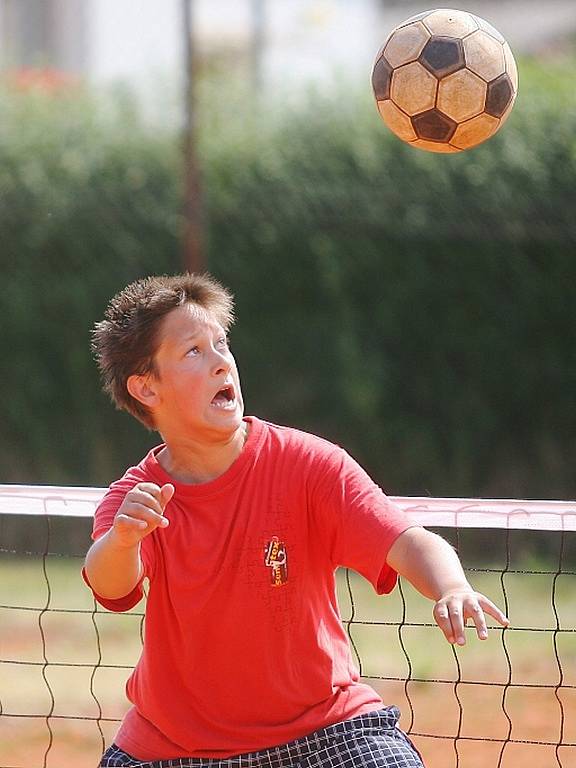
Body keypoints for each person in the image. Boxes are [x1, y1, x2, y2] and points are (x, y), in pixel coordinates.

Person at [84, 273, 509, 768]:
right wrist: (124, 538)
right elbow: (110, 586)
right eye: (193, 351)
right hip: (175, 751)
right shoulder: (136, 499)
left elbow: (407, 540)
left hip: (326, 731)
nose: (222, 360)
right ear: (146, 387)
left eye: (222, 343)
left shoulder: (308, 464)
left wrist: (452, 587)